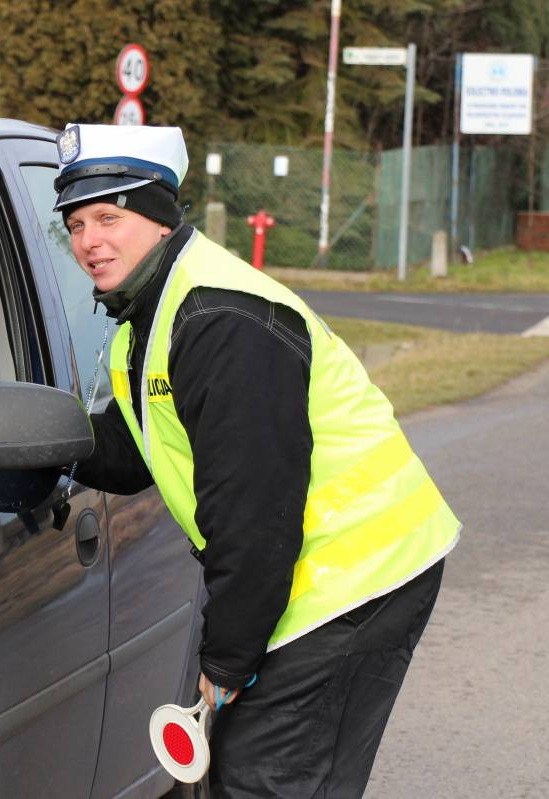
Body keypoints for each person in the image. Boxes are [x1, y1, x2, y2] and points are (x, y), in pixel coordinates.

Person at [53, 123, 460, 797]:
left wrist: (228, 659)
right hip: (311, 576)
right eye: (74, 224)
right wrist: (37, 445)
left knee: (265, 780)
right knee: (253, 775)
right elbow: (138, 450)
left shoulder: (220, 319)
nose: (88, 240)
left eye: (109, 216)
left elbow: (255, 511)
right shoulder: (155, 308)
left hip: (355, 578)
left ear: (158, 219)